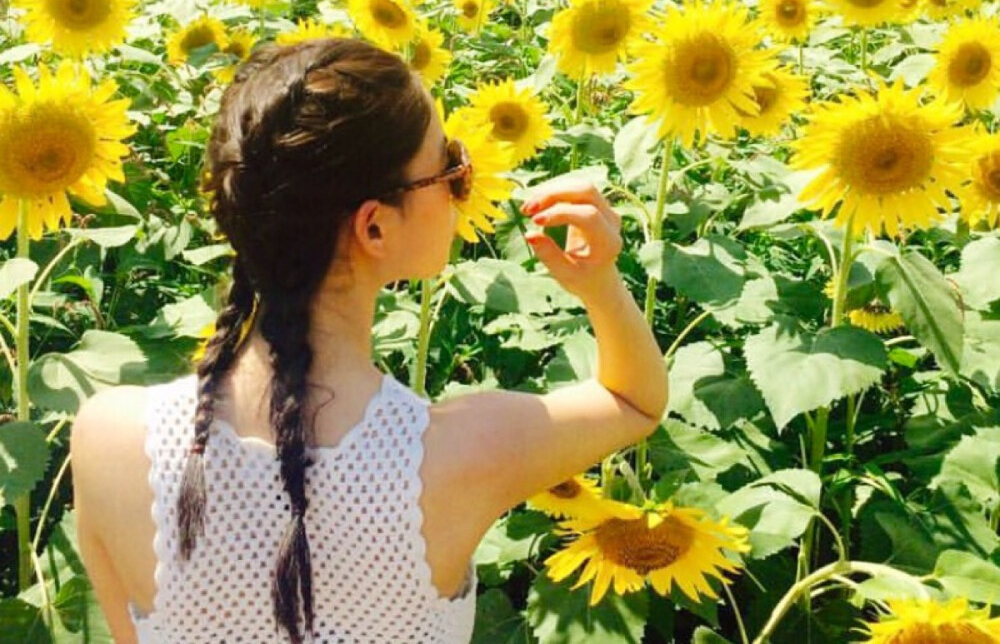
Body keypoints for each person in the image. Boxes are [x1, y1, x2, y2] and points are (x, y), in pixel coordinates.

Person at [70, 37, 669, 644]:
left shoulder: (107, 440)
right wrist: (599, 285)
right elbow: (637, 401)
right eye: (453, 170)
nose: (465, 185)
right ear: (375, 225)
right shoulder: (463, 452)